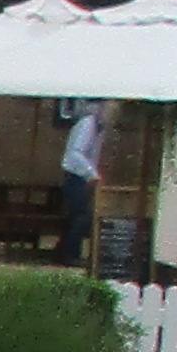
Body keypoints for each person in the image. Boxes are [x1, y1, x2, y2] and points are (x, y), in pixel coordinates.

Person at [53, 99, 102, 267]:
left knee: (76, 217)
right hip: (76, 176)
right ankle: (69, 255)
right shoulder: (88, 124)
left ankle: (63, 252)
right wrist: (91, 174)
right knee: (81, 216)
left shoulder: (96, 126)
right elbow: (75, 153)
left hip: (79, 176)